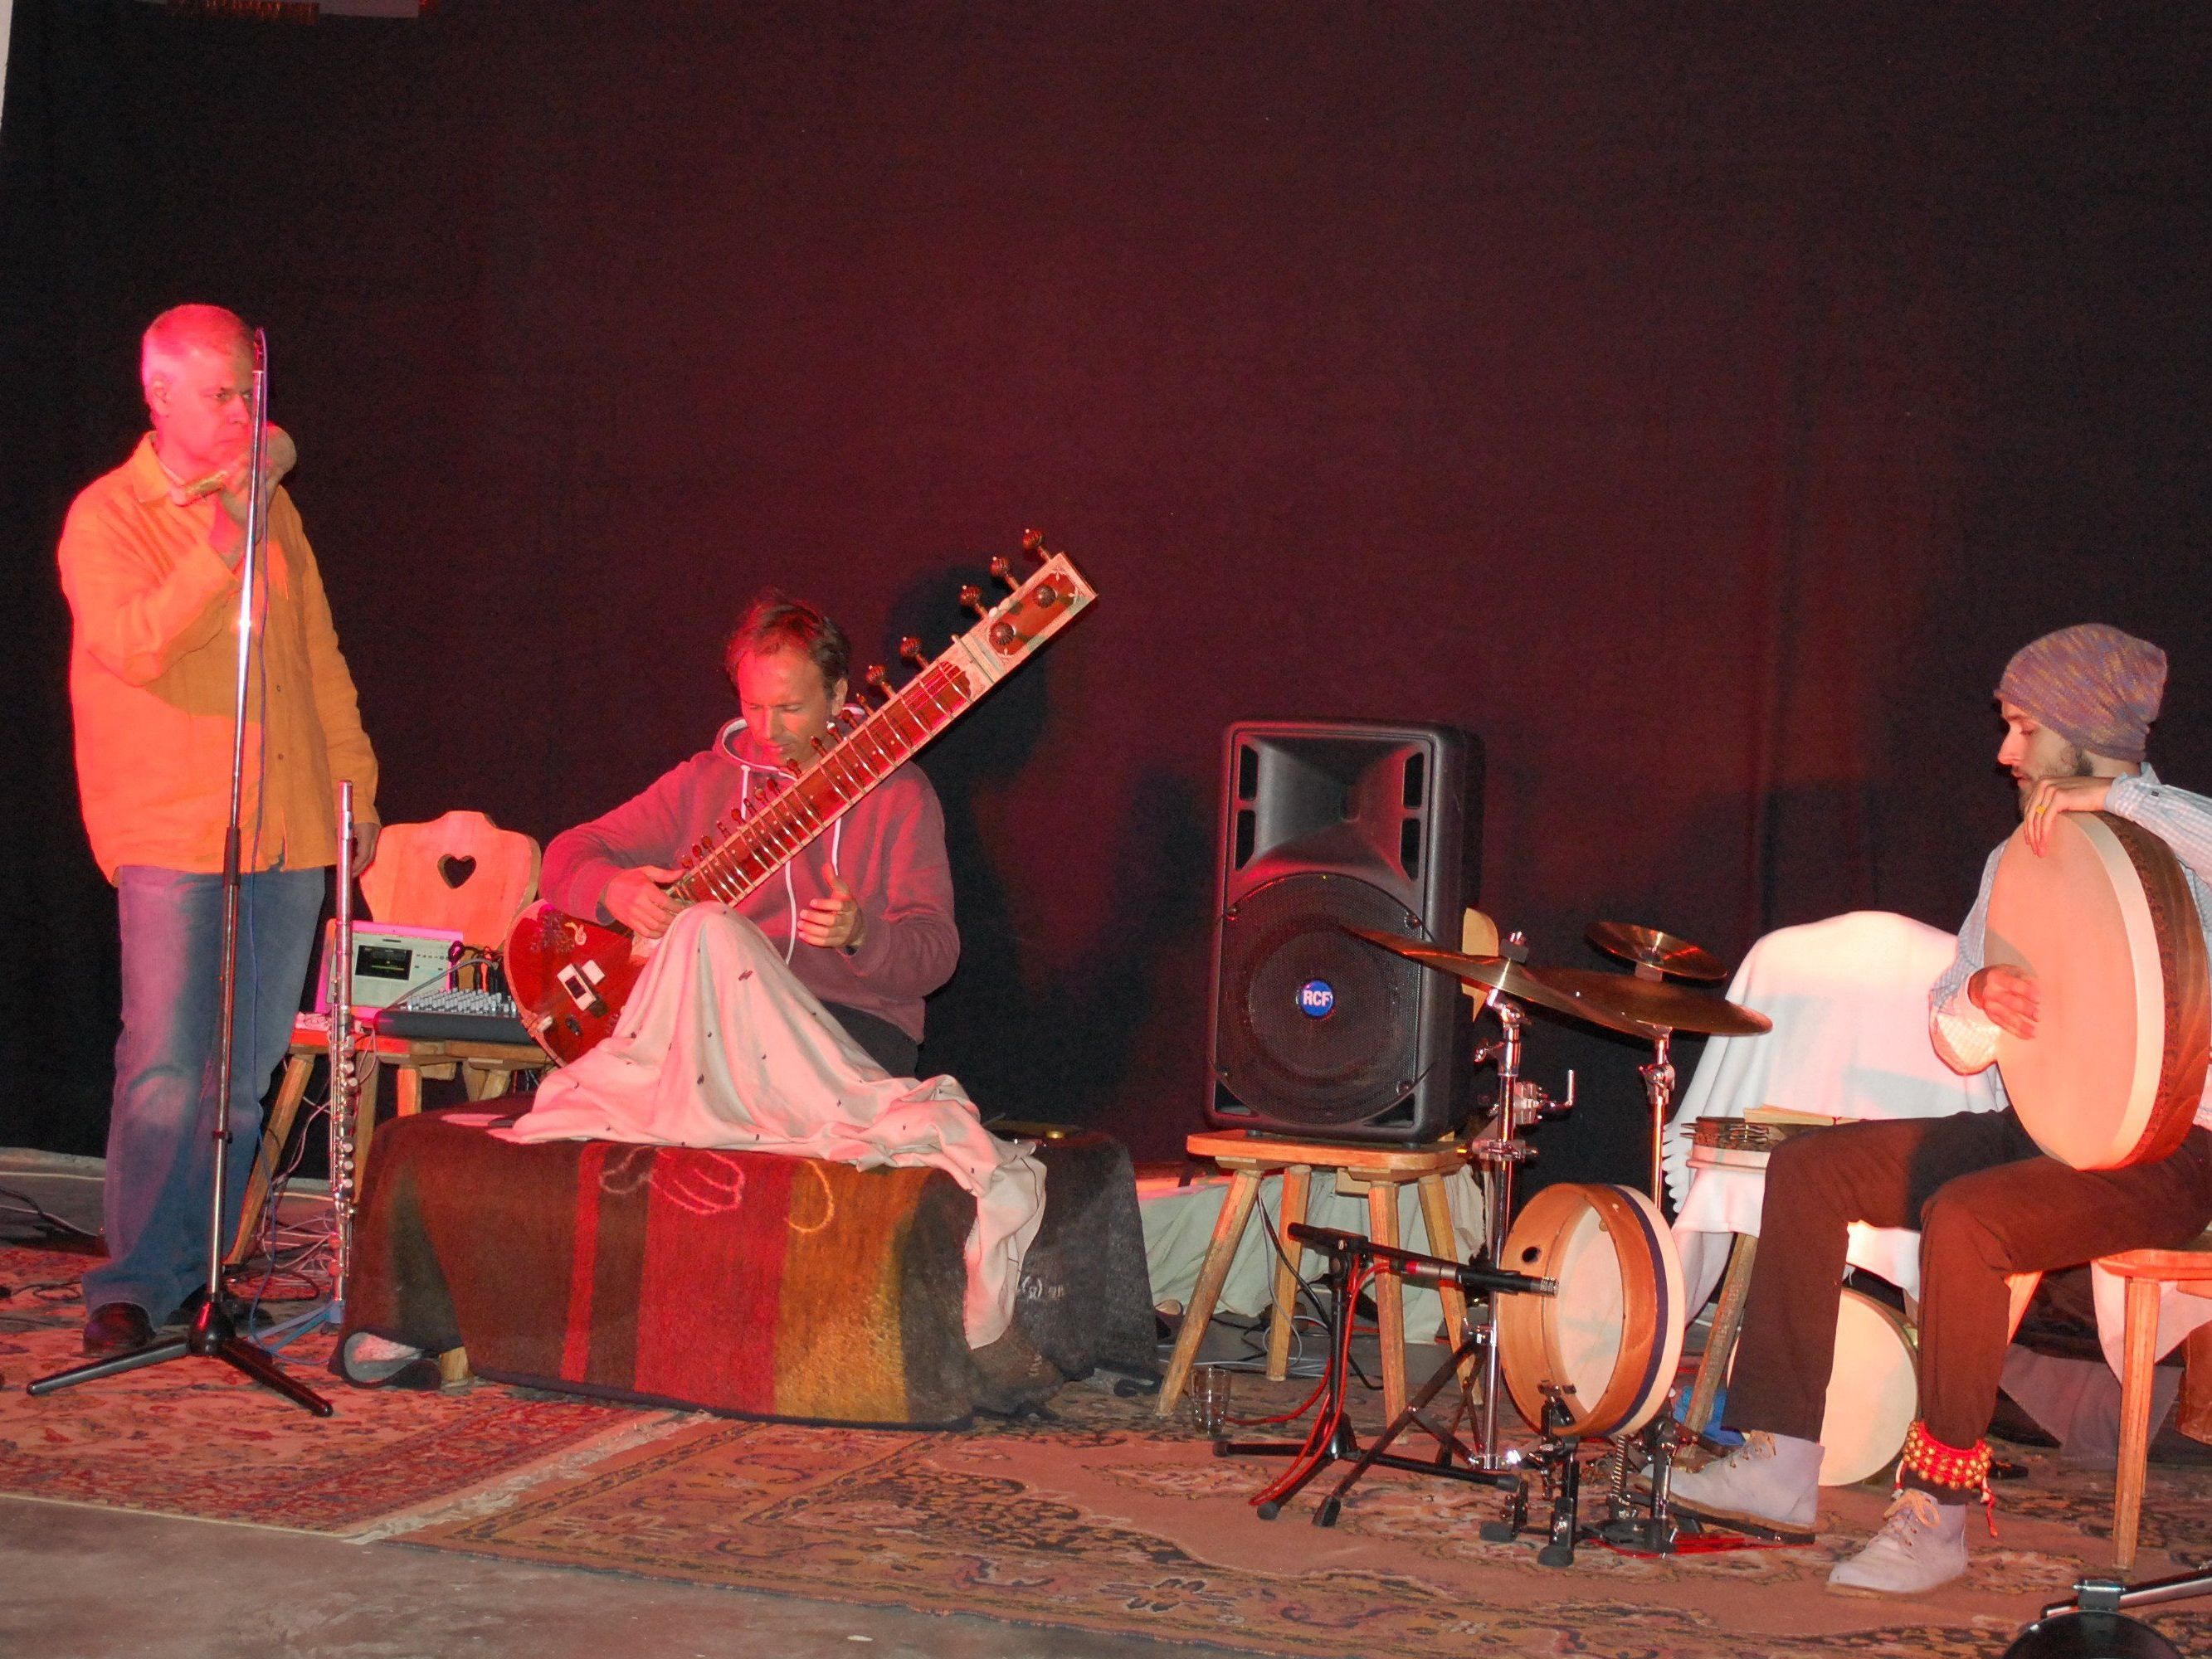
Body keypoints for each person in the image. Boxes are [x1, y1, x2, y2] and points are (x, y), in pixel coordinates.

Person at [1671, 622, 2212, 1594]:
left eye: (2022, 726)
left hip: (2178, 1149)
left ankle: (1936, 1511)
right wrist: (1978, 999)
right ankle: (1781, 1459)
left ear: (2084, 729)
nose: (2003, 750)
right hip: (2042, 1129)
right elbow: (1953, 1038)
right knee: (1808, 1166)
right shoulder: (2019, 860)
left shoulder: (2180, 845)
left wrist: (2117, 797)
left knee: (1966, 1218)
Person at [58, 304, 379, 1358]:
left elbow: (319, 659)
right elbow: (137, 645)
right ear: (158, 395)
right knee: (164, 1067)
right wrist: (223, 536)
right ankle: (130, 1283)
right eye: (220, 394)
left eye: (250, 391)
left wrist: (355, 792)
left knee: (239, 1080)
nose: (243, 412)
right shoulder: (109, 517)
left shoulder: (275, 512)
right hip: (174, 832)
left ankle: (201, 1276)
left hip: (284, 830)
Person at [538, 591, 959, 1077]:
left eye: (790, 708)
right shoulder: (705, 782)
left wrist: (863, 936)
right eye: (753, 706)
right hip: (719, 1022)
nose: (768, 729)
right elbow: (565, 855)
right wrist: (613, 889)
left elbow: (935, 955)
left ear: (838, 695)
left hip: (851, 1027)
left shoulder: (898, 793)